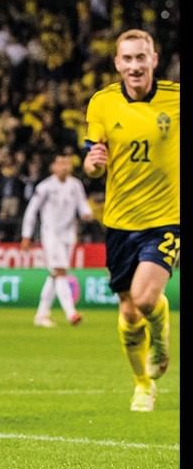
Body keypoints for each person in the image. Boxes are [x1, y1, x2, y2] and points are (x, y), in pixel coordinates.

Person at [82, 29, 179, 412]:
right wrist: (93, 165)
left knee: (145, 298)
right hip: (120, 222)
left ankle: (160, 335)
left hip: (166, 219)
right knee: (128, 310)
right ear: (117, 63)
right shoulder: (102, 103)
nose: (135, 66)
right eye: (128, 59)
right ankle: (142, 384)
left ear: (154, 59)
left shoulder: (175, 98)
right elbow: (93, 163)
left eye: (141, 57)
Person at [21, 151, 93, 328]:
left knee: (55, 274)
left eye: (67, 163)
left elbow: (82, 203)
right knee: (61, 271)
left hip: (69, 235)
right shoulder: (45, 187)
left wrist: (86, 213)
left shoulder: (75, 185)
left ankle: (41, 314)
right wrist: (26, 235)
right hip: (51, 234)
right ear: (53, 167)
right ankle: (71, 313)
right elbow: (31, 211)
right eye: (61, 163)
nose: (64, 167)